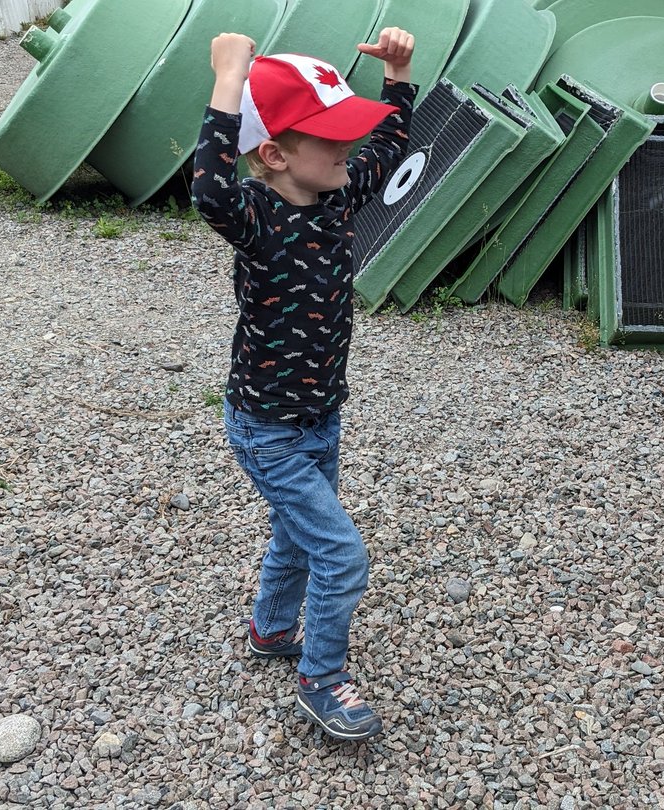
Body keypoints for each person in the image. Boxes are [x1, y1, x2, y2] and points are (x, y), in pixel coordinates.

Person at [191, 27, 415, 741]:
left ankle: (270, 630)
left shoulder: (337, 196)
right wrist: (229, 80)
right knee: (341, 554)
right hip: (266, 428)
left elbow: (390, 144)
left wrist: (399, 76)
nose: (350, 146)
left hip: (321, 416)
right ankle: (320, 680)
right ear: (274, 154)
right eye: (332, 137)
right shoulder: (256, 215)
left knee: (295, 534)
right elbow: (208, 188)